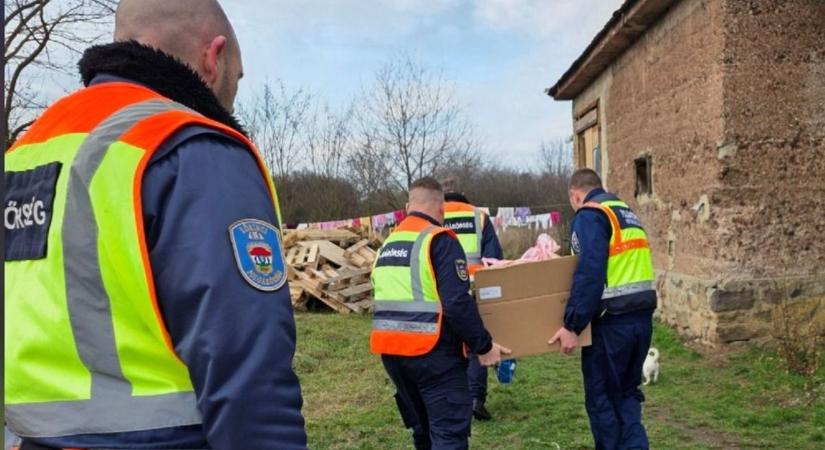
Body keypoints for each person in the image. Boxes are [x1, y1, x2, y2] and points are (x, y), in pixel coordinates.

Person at [3, 1, 307, 448]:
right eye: (236, 78)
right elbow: (249, 377)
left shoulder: (26, 150)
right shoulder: (192, 148)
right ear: (214, 56)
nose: (231, 95)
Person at [371, 177, 511, 450]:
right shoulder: (440, 240)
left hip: (392, 355)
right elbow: (457, 303)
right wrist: (483, 346)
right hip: (433, 355)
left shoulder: (387, 244)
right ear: (441, 209)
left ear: (407, 206)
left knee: (423, 434)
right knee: (448, 436)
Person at [549, 169, 657, 450]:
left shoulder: (590, 215)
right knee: (626, 396)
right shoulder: (625, 213)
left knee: (603, 399)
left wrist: (572, 325)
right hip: (641, 322)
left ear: (575, 195)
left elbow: (589, 272)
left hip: (611, 326)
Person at [443, 189, 503, 421]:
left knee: (448, 344)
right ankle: (476, 399)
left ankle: (452, 399)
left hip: (443, 291)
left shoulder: (435, 215)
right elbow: (494, 259)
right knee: (476, 342)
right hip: (476, 290)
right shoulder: (478, 217)